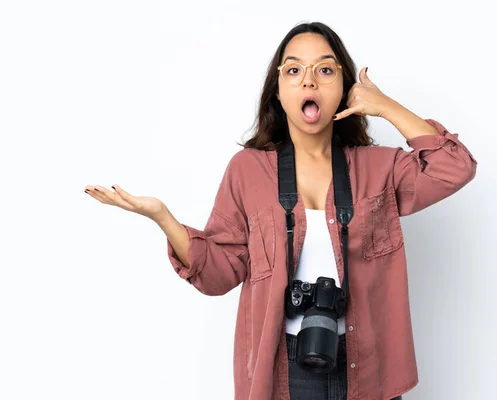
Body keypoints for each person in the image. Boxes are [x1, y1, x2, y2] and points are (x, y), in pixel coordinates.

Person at [84, 21, 477, 400]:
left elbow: (454, 166)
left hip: (367, 368)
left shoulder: (378, 168)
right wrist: (163, 218)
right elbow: (220, 273)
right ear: (278, 89)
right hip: (283, 370)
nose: (309, 80)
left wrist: (385, 105)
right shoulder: (248, 171)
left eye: (325, 69)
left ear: (344, 87)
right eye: (294, 70)